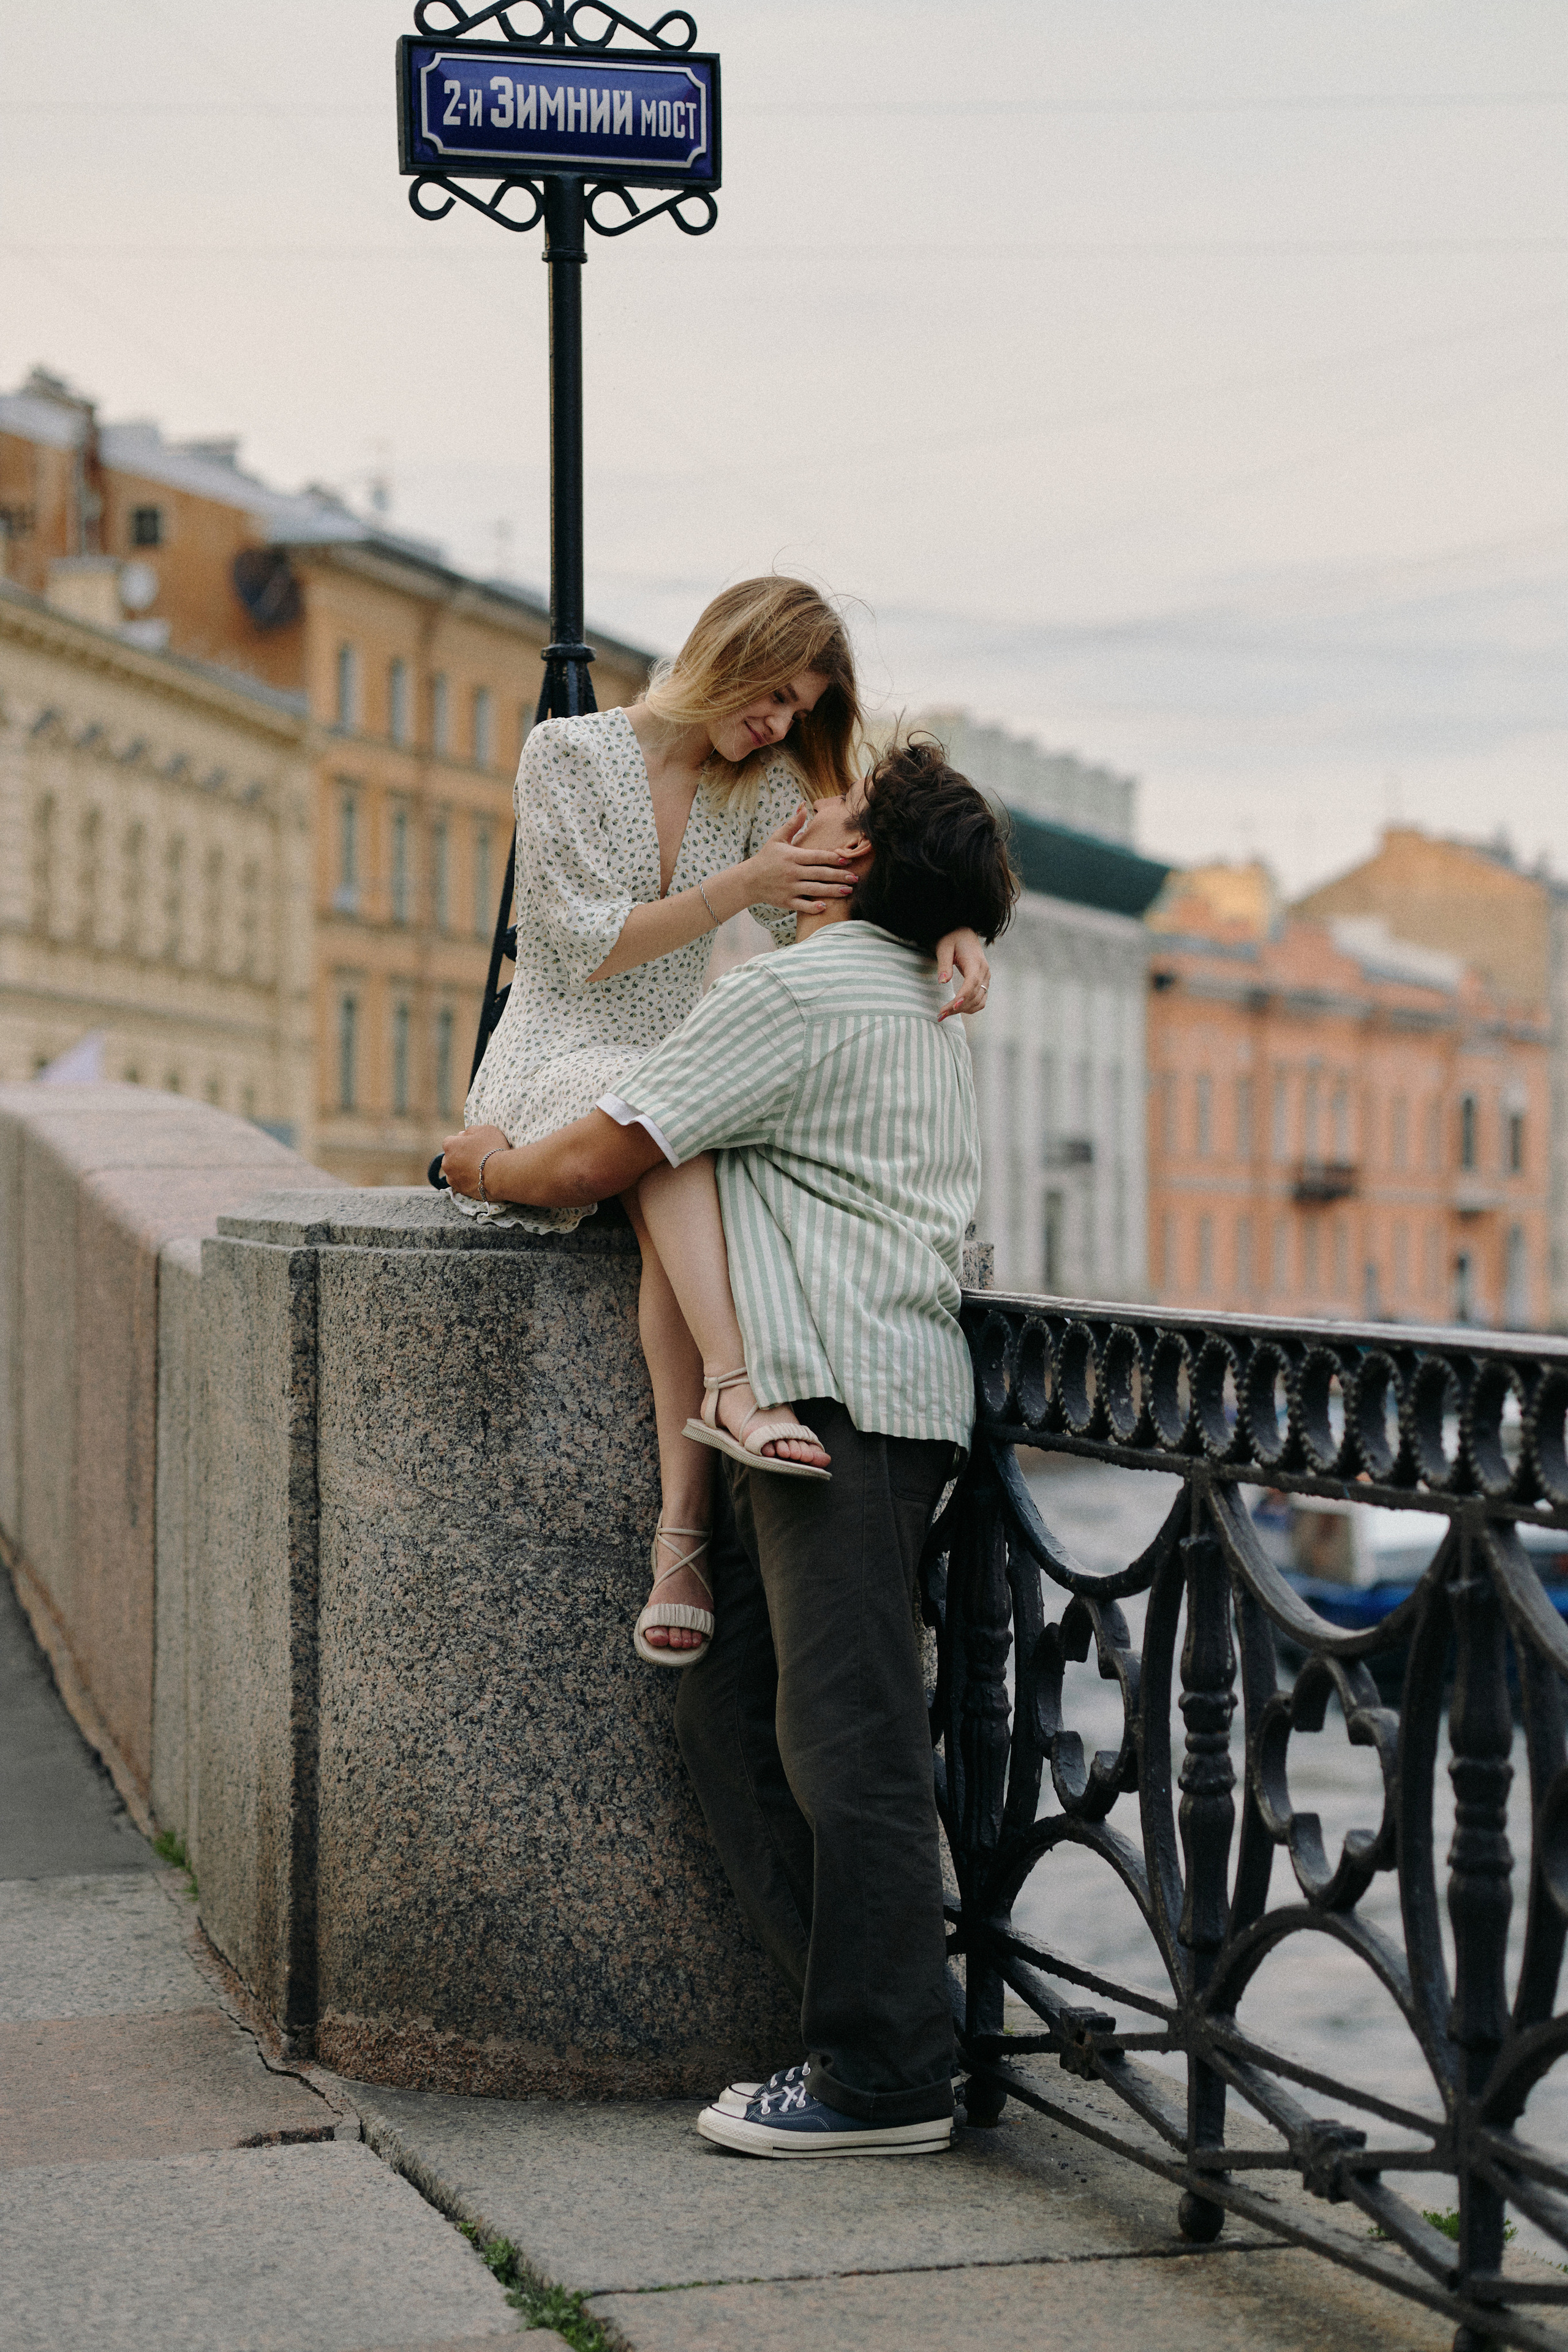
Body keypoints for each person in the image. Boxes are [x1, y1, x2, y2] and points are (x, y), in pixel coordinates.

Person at [440, 740, 1017, 2157]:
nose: (804, 814)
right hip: (851, 1395)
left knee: (848, 1745)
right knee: (732, 1713)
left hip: (837, 1398)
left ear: (859, 860)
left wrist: (472, 1164)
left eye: (831, 811)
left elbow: (600, 1154)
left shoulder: (804, 992)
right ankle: (884, 2033)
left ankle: (881, 2080)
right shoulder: (903, 990)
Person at [453, 577, 992, 1664]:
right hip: (548, 1059)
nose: (782, 725)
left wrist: (956, 928)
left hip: (657, 1071)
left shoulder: (767, 784)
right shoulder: (569, 755)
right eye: (776, 694)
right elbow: (571, 948)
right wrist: (742, 885)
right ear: (727, 653)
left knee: (680, 1129)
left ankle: (682, 1543)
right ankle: (735, 1398)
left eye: (801, 709)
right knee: (670, 1123)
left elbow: (860, 881)